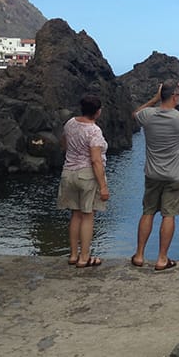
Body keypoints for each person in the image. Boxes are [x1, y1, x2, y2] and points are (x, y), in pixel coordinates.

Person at [131, 79, 179, 271]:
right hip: (175, 176)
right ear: (175, 97)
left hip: (152, 174)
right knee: (168, 215)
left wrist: (154, 99)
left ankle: (139, 255)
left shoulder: (148, 115)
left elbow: (135, 114)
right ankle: (162, 258)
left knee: (148, 212)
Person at [57, 94, 110, 268]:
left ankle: (73, 255)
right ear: (97, 112)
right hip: (87, 175)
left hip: (68, 173)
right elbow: (95, 160)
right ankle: (84, 257)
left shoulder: (70, 123)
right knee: (88, 215)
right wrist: (103, 186)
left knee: (75, 214)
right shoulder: (94, 131)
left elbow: (63, 143)